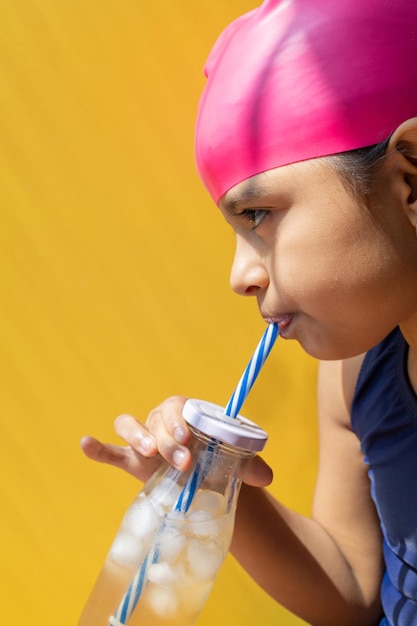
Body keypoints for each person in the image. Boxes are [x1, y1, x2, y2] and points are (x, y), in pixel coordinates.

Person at [81, 1, 417, 624]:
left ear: (411, 183)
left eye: (258, 215)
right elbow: (357, 593)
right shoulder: (356, 376)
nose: (241, 276)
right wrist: (211, 485)